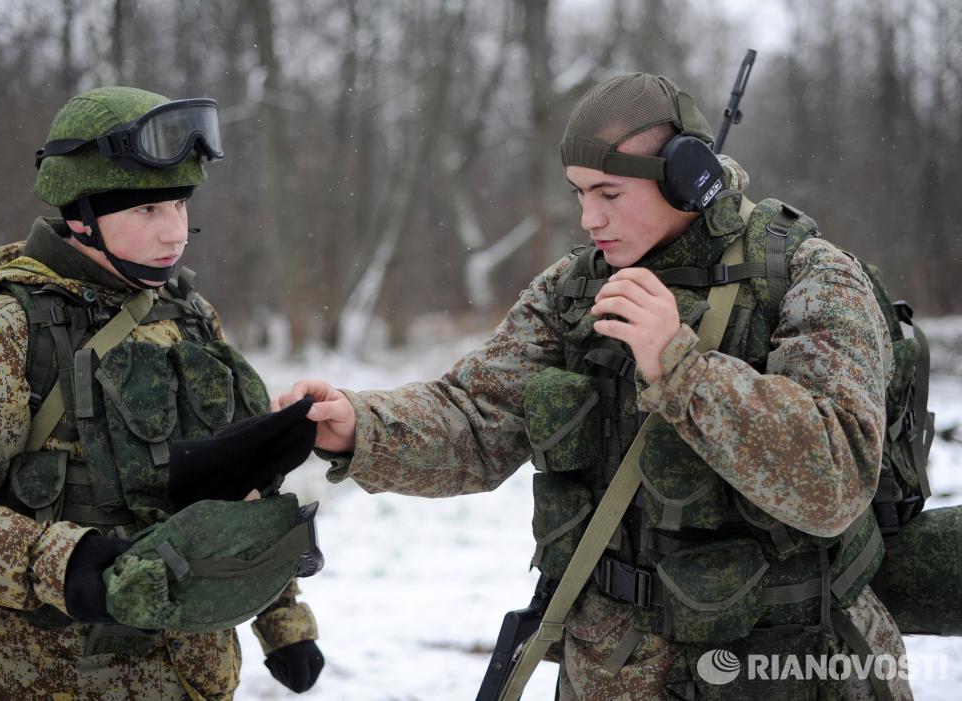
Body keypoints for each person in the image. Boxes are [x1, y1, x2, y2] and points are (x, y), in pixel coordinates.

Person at [277, 73, 910, 699]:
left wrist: (682, 368)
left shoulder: (808, 275)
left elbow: (837, 479)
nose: (589, 217)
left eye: (609, 193)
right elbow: (477, 416)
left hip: (780, 666)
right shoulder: (576, 287)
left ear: (685, 175)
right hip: (605, 669)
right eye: (580, 193)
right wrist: (360, 427)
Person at [0, 87, 323, 699]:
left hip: (197, 679)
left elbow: (236, 489)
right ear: (80, 214)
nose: (176, 233)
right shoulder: (2, 329)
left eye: (180, 204)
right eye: (147, 210)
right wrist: (70, 566)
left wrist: (282, 618)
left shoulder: (190, 315)